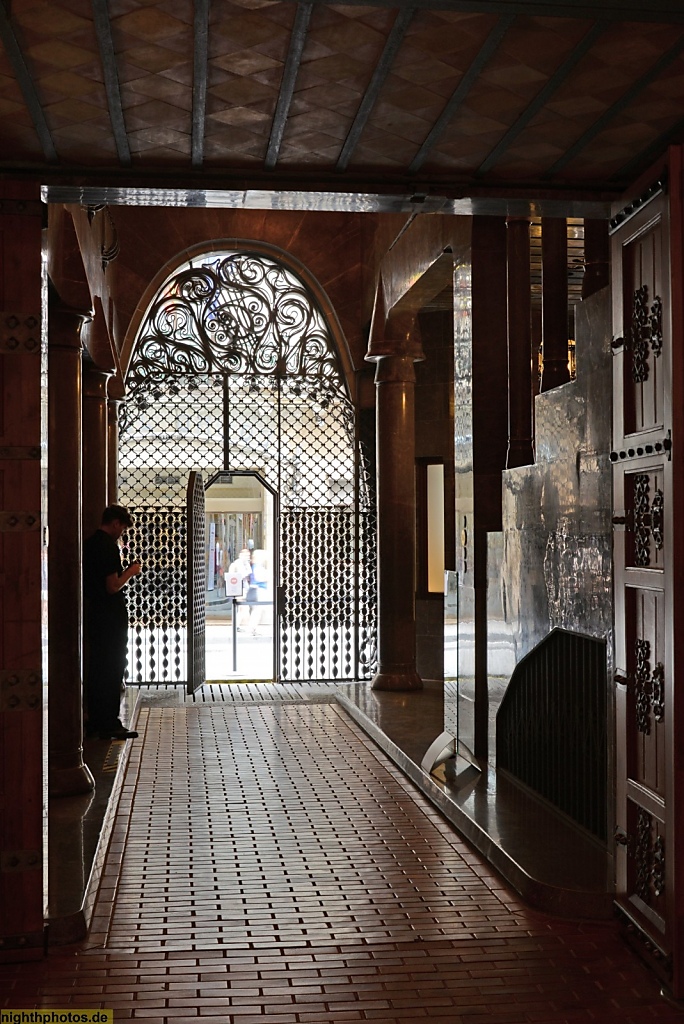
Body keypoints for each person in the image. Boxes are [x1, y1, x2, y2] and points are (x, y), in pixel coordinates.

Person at [83, 504, 142, 740]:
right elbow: (113, 585)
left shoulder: (89, 543)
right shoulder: (108, 546)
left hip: (94, 613)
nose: (122, 533)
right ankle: (109, 722)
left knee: (98, 667)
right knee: (113, 666)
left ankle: (95, 720)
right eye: (123, 528)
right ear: (116, 523)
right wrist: (131, 571)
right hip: (109, 616)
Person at [229, 548, 253, 628]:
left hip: (244, 588)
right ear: (241, 555)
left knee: (243, 608)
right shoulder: (237, 564)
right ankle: (248, 626)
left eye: (248, 555)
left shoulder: (246, 564)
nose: (248, 557)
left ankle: (238, 625)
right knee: (243, 608)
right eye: (246, 555)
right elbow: (234, 577)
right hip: (238, 588)